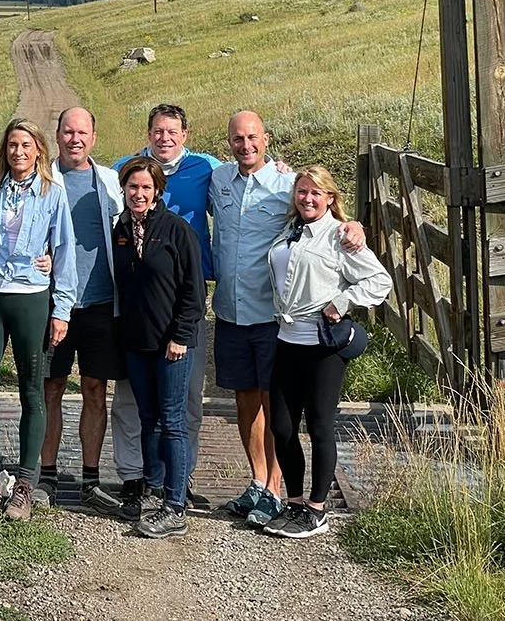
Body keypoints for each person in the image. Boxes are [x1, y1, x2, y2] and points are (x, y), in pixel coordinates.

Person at [211, 111, 365, 528]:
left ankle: (279, 491)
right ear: (229, 142)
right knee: (244, 397)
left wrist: (353, 228)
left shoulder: (287, 183)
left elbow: (320, 203)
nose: (245, 146)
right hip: (230, 309)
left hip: (271, 316)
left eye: (252, 138)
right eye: (237, 139)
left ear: (266, 139)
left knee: (275, 405)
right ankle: (259, 482)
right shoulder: (218, 178)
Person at [264, 165, 391, 538]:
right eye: (302, 191)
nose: (307, 198)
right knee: (282, 427)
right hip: (287, 340)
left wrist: (342, 300)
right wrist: (280, 166)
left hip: (322, 345)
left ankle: (317, 510)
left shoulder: (340, 237)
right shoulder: (290, 230)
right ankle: (294, 501)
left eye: (316, 193)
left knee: (320, 425)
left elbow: (379, 280)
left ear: (330, 198)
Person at [0, 118, 76, 523]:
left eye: (26, 146)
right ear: (5, 149)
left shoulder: (52, 194)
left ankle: (26, 485)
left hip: (31, 297)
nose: (18, 152)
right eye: (12, 144)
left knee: (34, 390)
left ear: (38, 151)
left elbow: (64, 254)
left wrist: (61, 309)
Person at [113, 103, 217, 514]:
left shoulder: (202, 176)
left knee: (179, 414)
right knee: (148, 415)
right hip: (138, 338)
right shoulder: (121, 226)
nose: (165, 137)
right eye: (158, 130)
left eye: (172, 130)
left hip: (176, 335)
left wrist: (181, 334)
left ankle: (178, 493)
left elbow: (193, 290)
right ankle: (150, 488)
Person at [39, 106, 138, 514]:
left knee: (96, 389)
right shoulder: (41, 180)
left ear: (94, 137)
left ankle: (90, 478)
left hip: (100, 305)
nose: (74, 139)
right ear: (57, 135)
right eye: (67, 131)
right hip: (53, 304)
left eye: (82, 132)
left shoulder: (111, 182)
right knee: (51, 389)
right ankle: (45, 474)